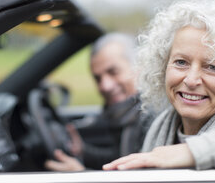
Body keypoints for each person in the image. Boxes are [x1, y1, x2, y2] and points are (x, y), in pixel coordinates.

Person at [103, 0, 215, 170]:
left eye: (212, 67)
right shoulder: (161, 126)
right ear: (163, 65)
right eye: (181, 62)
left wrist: (191, 152)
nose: (191, 80)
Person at [45, 33, 156, 171]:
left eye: (113, 72)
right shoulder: (128, 113)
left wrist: (81, 175)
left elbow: (141, 178)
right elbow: (121, 159)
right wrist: (84, 152)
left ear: (140, 67)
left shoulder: (152, 117)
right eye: (98, 78)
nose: (104, 86)